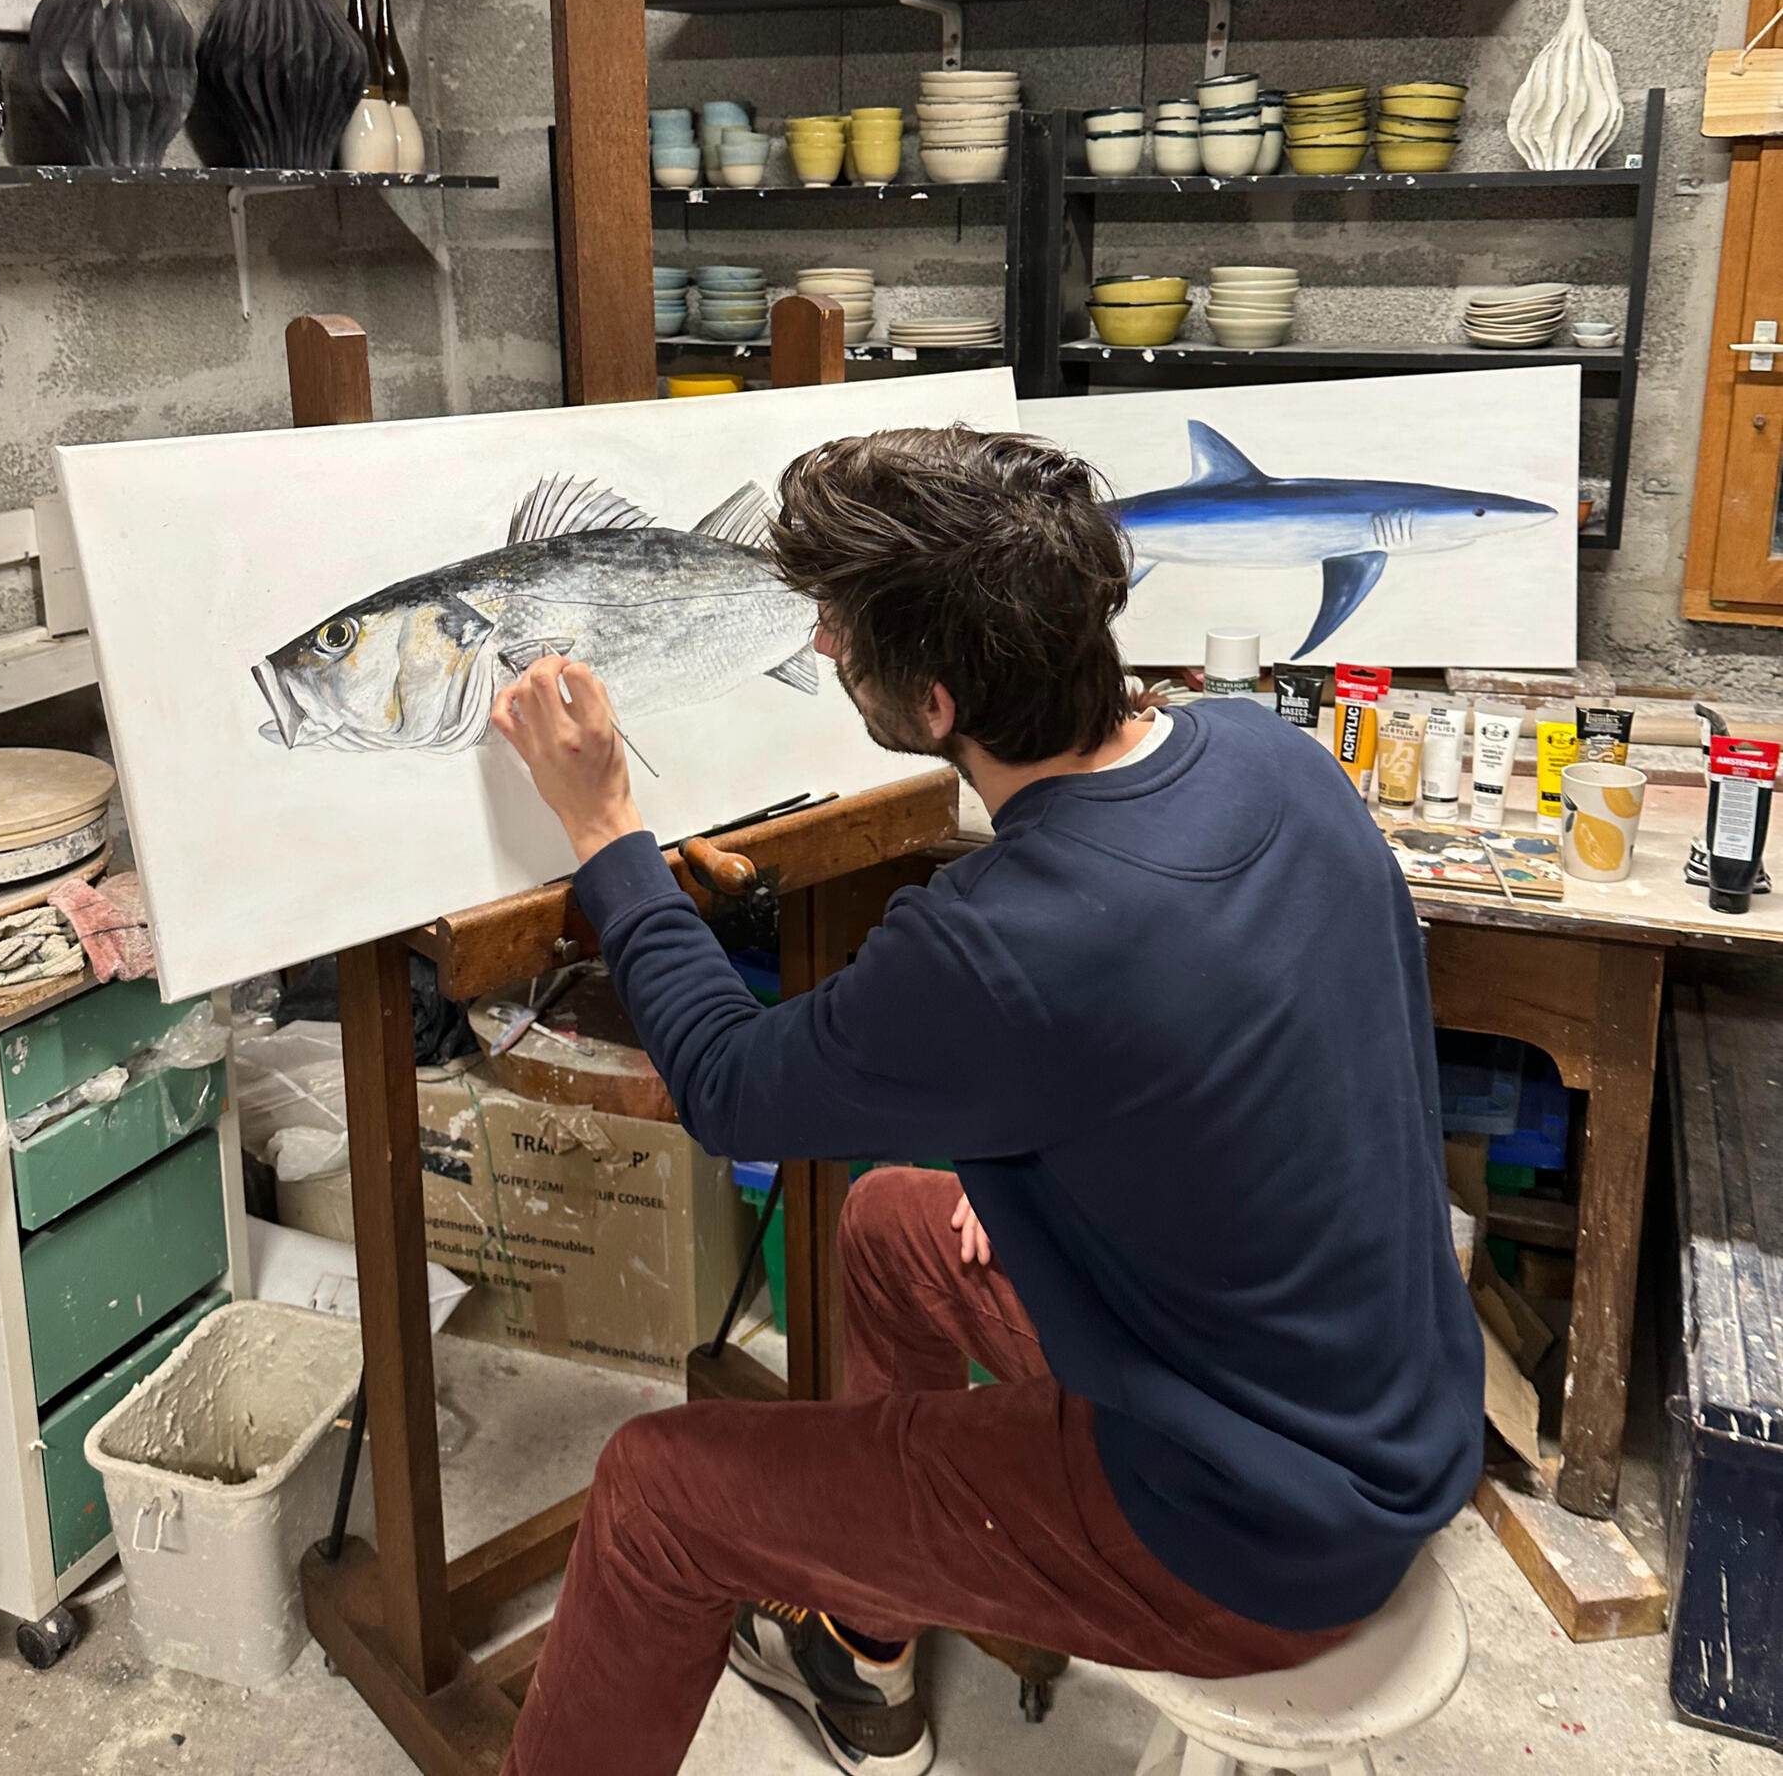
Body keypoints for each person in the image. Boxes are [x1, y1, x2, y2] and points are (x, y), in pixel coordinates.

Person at [490, 428, 1484, 1776]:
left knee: (656, 1492)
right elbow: (1243, 1060)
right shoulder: (1270, 754)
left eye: (843, 632)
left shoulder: (1002, 944)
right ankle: (871, 1656)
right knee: (891, 1226)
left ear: (937, 704)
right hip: (1386, 1417)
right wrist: (1052, 1171)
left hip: (1245, 1535)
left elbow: (725, 1084)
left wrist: (608, 830)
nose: (822, 644)